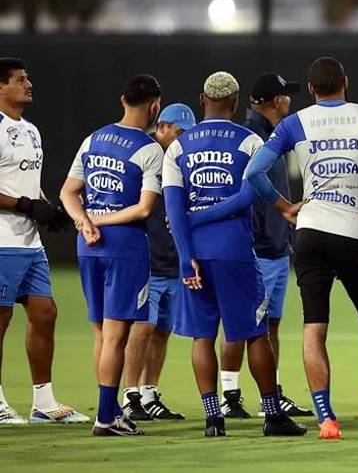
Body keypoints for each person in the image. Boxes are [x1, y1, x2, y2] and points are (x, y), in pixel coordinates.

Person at [244, 56, 358, 441]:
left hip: (312, 232)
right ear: (346, 83)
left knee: (313, 327)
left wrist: (285, 206)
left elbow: (253, 172)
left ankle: (327, 420)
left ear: (313, 89)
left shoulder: (293, 123)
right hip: (355, 231)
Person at [162, 72, 306, 438]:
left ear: (201, 99)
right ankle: (273, 415)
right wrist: (207, 215)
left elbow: (174, 210)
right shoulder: (250, 141)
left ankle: (213, 418)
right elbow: (247, 197)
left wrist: (184, 254)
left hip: (195, 253)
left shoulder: (178, 146)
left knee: (202, 337)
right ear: (235, 102)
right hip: (235, 252)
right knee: (255, 334)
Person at [60, 74, 166, 436]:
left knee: (101, 334)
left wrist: (85, 221)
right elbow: (143, 209)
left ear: (123, 100)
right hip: (125, 248)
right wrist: (99, 220)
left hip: (89, 246)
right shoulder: (150, 149)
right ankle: (107, 418)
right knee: (116, 335)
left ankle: (108, 411)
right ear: (155, 106)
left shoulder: (94, 139)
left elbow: (68, 192)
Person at [218, 73, 311, 418]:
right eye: (286, 95)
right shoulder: (253, 138)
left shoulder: (268, 134)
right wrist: (261, 238)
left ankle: (256, 394)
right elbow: (248, 195)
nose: (290, 100)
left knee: (265, 323)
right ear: (276, 101)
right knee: (250, 323)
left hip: (271, 243)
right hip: (260, 246)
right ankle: (236, 395)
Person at [0, 57, 86, 425]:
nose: (29, 84)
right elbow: (17, 195)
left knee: (45, 313)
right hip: (2, 240)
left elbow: (27, 181)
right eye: (20, 79)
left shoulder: (31, 131)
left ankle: (44, 403)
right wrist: (24, 205)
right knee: (0, 320)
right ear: (1, 87)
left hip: (29, 243)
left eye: (28, 77)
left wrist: (49, 210)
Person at [120, 102, 195, 422]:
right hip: (146, 259)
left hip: (171, 260)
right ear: (162, 127)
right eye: (178, 132)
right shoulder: (146, 157)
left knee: (162, 329)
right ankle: (129, 396)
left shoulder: (183, 161)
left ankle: (149, 394)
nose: (182, 139)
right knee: (142, 327)